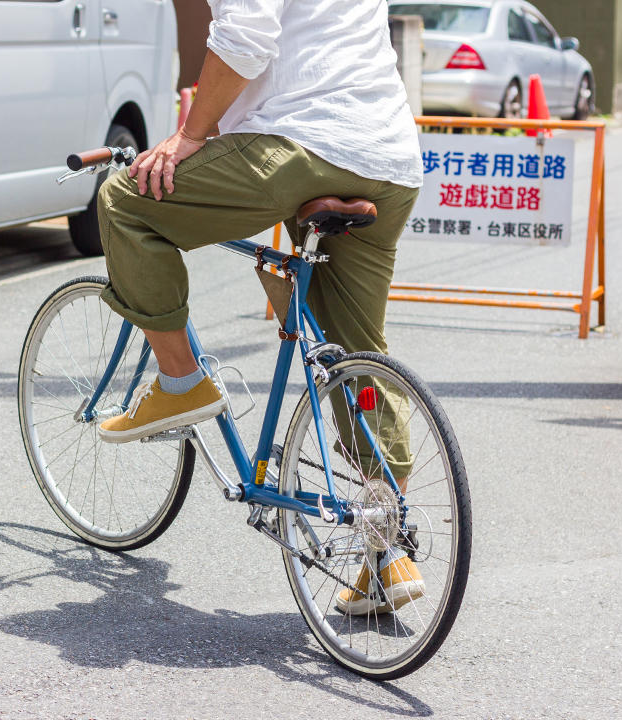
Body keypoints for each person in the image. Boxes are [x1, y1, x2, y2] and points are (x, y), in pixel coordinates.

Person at [95, 0, 425, 614]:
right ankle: (387, 553)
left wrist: (188, 136)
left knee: (124, 200)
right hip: (389, 160)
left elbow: (247, 34)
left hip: (303, 146)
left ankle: (181, 380)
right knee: (355, 359)